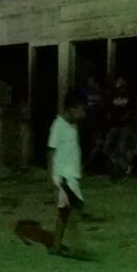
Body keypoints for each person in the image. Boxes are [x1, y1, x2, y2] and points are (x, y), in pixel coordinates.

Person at [48, 90, 86, 255]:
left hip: (71, 175)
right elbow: (51, 150)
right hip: (64, 176)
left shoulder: (73, 125)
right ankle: (75, 243)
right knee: (75, 207)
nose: (82, 114)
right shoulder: (58, 125)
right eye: (80, 110)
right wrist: (51, 175)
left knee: (65, 210)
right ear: (71, 108)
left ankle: (57, 245)